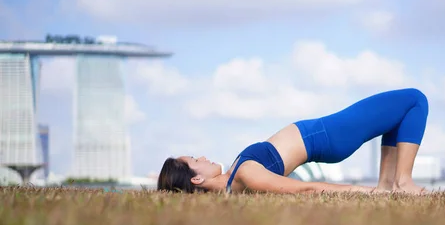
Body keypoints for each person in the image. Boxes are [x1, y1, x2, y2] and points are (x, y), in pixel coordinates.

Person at [158, 88, 431, 195]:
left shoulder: (233, 180)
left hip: (326, 135)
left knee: (397, 115)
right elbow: (308, 188)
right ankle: (401, 182)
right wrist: (367, 193)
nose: (202, 157)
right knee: (414, 100)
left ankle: (389, 184)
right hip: (329, 135)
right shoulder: (244, 173)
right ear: (195, 179)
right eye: (195, 161)